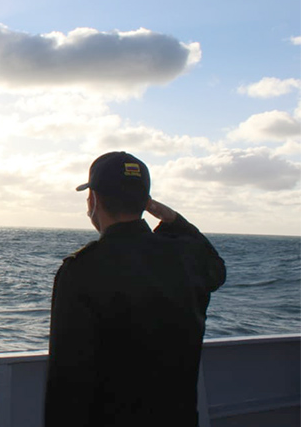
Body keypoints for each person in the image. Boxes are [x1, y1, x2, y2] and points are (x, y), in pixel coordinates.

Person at [44, 151, 226, 427]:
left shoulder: (81, 271)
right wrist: (177, 222)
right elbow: (217, 270)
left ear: (93, 200)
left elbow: (67, 380)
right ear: (146, 202)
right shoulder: (188, 257)